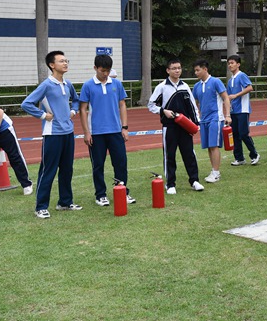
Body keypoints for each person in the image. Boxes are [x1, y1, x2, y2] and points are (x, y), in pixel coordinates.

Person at [21, 51, 81, 219]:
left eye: (66, 60)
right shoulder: (46, 85)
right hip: (52, 134)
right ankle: (41, 207)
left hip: (68, 132)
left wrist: (73, 111)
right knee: (48, 170)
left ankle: (65, 202)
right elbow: (26, 103)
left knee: (67, 169)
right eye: (61, 61)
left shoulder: (68, 84)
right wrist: (42, 115)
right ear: (52, 65)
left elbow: (76, 100)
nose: (65, 63)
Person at [79, 55, 134, 207]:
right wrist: (86, 132)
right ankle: (101, 195)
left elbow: (122, 105)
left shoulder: (116, 84)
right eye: (102, 70)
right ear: (95, 68)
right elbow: (83, 109)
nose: (105, 74)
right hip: (96, 133)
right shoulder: (88, 86)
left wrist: (125, 127)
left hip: (115, 131)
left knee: (121, 163)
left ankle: (122, 191)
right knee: (98, 165)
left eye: (108, 71)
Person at [147, 59, 204, 194]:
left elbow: (192, 106)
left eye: (179, 68)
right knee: (170, 155)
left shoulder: (185, 87)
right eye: (174, 68)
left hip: (185, 126)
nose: (177, 70)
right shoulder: (161, 87)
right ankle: (170, 184)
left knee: (189, 154)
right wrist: (163, 111)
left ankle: (194, 181)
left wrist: (196, 123)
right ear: (168, 70)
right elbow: (151, 105)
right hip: (169, 127)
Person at [192, 59, 231, 184]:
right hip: (204, 120)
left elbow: (225, 98)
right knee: (209, 146)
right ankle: (214, 170)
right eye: (195, 71)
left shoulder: (215, 82)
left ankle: (216, 172)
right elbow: (195, 102)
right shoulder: (197, 86)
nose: (196, 73)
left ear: (205, 69)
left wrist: (227, 115)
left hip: (216, 118)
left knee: (214, 145)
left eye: (198, 70)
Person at [225, 55, 260, 166]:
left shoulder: (242, 75)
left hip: (243, 110)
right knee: (235, 134)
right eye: (229, 63)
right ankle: (239, 158)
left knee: (243, 133)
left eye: (232, 63)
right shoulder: (230, 80)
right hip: (233, 111)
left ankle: (254, 154)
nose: (230, 65)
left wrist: (236, 95)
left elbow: (249, 87)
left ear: (238, 64)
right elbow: (228, 97)